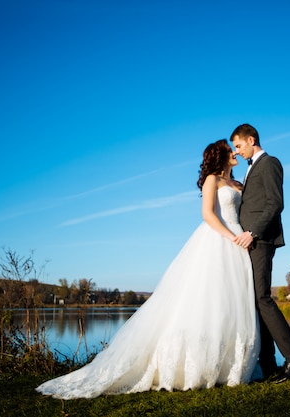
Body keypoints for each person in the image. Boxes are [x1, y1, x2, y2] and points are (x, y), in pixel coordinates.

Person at [36, 139, 259, 399]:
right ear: (219, 155)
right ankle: (194, 366)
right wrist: (231, 237)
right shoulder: (213, 180)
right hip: (218, 240)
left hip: (239, 245)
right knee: (206, 301)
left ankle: (230, 367)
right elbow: (208, 215)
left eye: (235, 149)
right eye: (229, 150)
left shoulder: (238, 184)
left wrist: (243, 236)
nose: (234, 153)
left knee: (232, 303)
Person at [231, 123, 290, 383]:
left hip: (261, 240)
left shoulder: (270, 163)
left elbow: (276, 203)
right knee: (256, 301)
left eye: (239, 145)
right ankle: (268, 364)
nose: (237, 151)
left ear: (251, 139)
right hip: (250, 242)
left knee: (263, 298)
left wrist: (252, 232)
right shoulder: (250, 169)